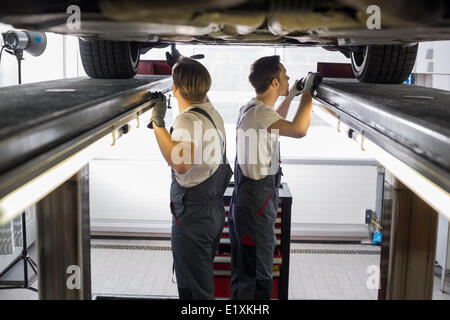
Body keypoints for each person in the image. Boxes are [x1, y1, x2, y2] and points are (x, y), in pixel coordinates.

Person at [229, 55, 322, 300]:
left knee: (245, 268)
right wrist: (308, 94)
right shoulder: (260, 114)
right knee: (258, 272)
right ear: (273, 83)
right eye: (284, 76)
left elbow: (275, 117)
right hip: (255, 206)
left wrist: (291, 94)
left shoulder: (252, 108)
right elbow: (299, 129)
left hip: (247, 200)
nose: (288, 77)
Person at [149, 54, 232, 299]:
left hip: (193, 217)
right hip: (213, 213)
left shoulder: (186, 120)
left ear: (175, 88)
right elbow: (200, 94)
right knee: (198, 280)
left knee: (195, 290)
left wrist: (158, 124)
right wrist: (182, 64)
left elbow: (181, 163)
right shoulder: (211, 113)